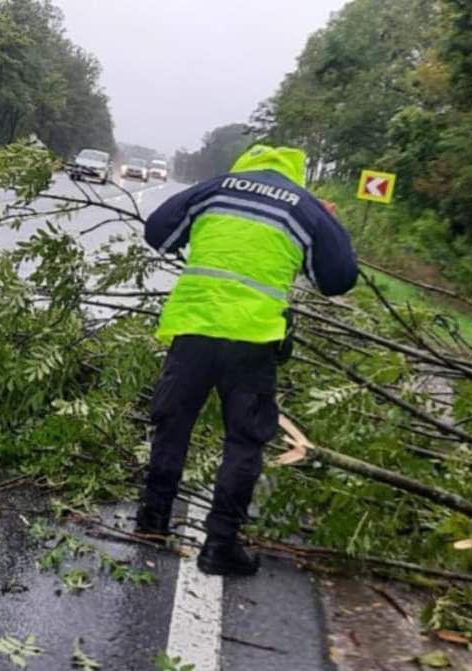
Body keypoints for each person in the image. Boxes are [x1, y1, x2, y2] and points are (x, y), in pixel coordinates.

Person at [135, 145, 359, 576]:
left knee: (172, 424)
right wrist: (328, 219)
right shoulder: (305, 208)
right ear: (295, 173)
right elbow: (338, 279)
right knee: (244, 440)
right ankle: (220, 545)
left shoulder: (215, 189)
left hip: (195, 329)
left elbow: (158, 233)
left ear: (246, 163)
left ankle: (152, 523)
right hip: (253, 341)